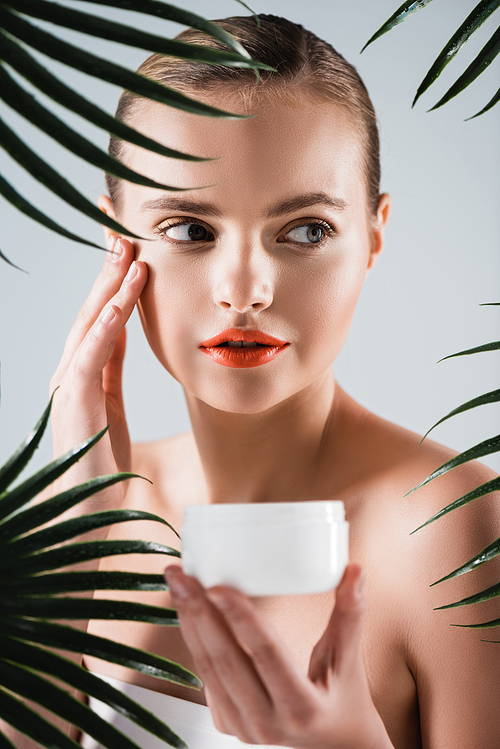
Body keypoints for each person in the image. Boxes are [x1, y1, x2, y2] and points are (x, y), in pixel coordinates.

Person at [34, 13, 500, 749]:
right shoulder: (74, 509)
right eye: (190, 229)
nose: (245, 288)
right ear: (115, 239)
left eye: (306, 229)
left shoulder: (451, 533)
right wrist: (79, 522)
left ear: (374, 236)